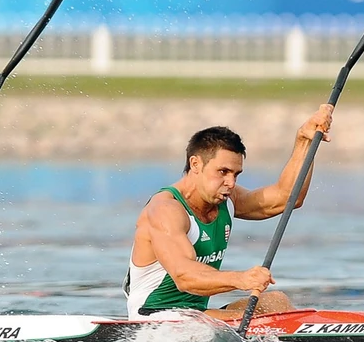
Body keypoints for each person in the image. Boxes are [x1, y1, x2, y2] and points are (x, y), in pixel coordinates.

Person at [123, 104, 334, 321]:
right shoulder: (166, 210)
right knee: (260, 320)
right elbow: (184, 276)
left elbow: (288, 198)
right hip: (155, 316)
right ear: (195, 164)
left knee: (276, 302)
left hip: (194, 314)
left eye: (236, 174)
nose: (231, 183)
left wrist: (305, 141)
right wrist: (241, 279)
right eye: (223, 172)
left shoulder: (225, 198)